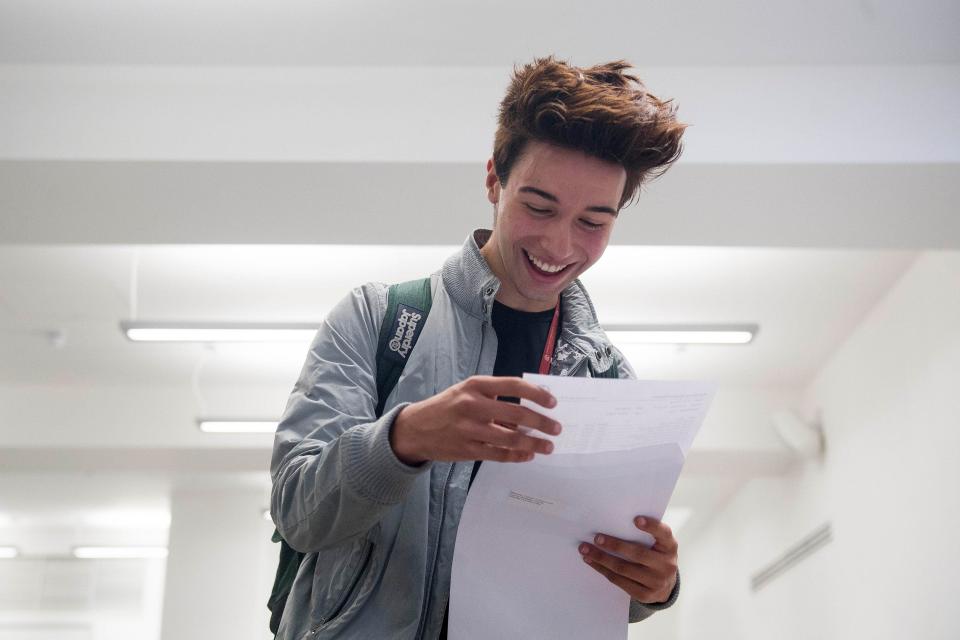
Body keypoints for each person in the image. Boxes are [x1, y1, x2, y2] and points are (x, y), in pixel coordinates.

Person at [270, 56, 687, 639]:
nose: (559, 243)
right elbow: (297, 511)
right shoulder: (380, 319)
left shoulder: (610, 381)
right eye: (538, 207)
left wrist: (653, 585)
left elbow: (598, 576)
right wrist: (403, 439)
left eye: (594, 222)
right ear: (494, 179)